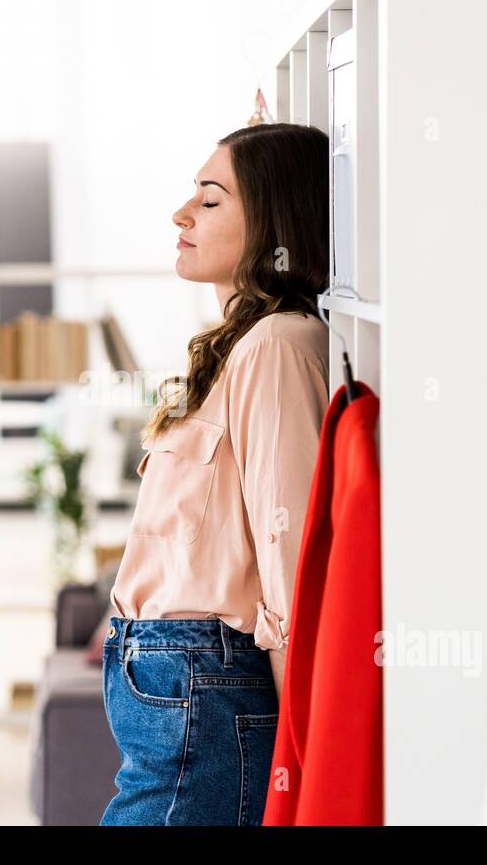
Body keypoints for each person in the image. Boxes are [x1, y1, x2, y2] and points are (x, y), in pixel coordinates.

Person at [100, 122, 331, 825]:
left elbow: (286, 547)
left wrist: (306, 747)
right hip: (172, 691)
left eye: (210, 199)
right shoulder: (237, 347)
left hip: (204, 689)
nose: (181, 215)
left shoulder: (277, 347)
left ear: (273, 219)